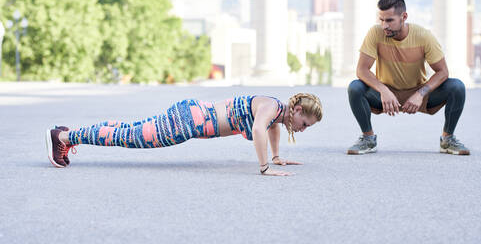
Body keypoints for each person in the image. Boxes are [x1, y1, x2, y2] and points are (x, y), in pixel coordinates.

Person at [46, 93, 323, 176]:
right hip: (189, 122)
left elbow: (272, 127)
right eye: (305, 123)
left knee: (128, 130)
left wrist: (276, 157)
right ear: (297, 109)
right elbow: (258, 128)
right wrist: (264, 168)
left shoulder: (276, 111)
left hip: (191, 114)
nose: (302, 129)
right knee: (129, 136)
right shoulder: (272, 106)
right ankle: (64, 138)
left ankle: (68, 134)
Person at [346, 0, 469, 155]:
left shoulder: (424, 36)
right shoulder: (375, 33)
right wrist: (383, 90)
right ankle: (368, 139)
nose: (384, 26)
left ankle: (448, 140)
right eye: (381, 20)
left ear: (404, 17)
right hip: (386, 95)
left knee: (457, 86)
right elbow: (362, 70)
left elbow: (443, 72)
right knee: (355, 87)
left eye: (389, 20)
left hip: (419, 94)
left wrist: (420, 93)